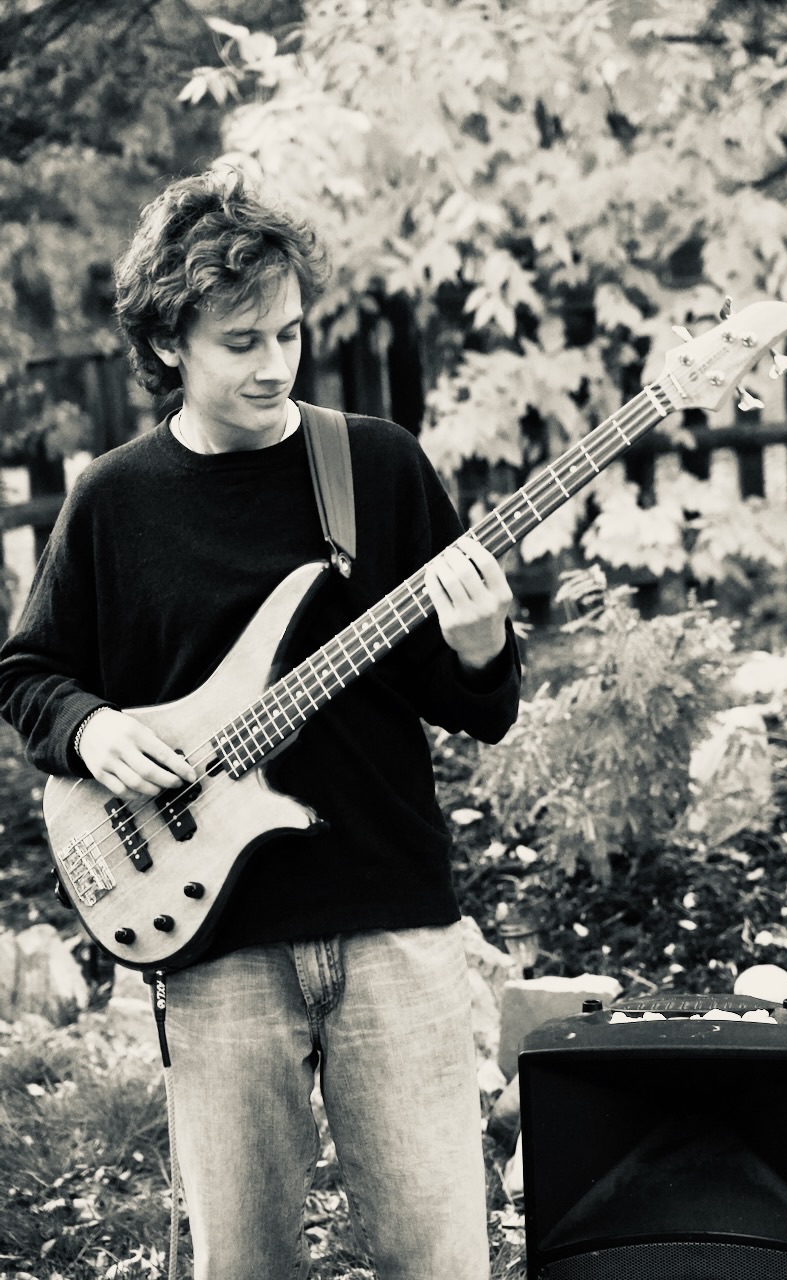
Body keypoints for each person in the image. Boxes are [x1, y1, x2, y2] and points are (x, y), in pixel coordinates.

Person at [0, 169, 521, 1280]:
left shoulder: (372, 465)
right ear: (168, 341)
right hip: (213, 940)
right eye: (241, 339)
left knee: (441, 1256)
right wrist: (94, 732)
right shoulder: (115, 500)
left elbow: (472, 703)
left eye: (288, 332)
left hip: (392, 921)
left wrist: (479, 646)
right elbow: (29, 673)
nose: (274, 363)